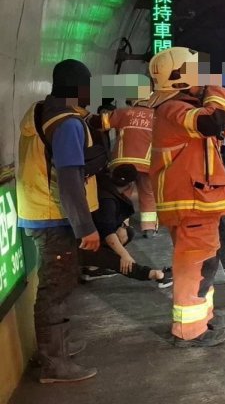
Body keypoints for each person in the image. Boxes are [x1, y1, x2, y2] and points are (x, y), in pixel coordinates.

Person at [15, 59, 106, 383]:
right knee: (56, 288)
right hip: (55, 218)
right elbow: (69, 178)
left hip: (40, 212)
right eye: (87, 86)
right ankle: (55, 364)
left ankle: (57, 348)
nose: (89, 92)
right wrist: (86, 228)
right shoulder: (66, 124)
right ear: (78, 88)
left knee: (59, 285)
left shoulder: (40, 111)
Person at [148, 47, 225, 348]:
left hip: (198, 201)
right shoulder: (173, 109)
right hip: (191, 203)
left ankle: (203, 316)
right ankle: (189, 332)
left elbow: (218, 128)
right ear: (181, 78)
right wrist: (217, 89)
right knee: (195, 267)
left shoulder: (182, 108)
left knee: (206, 264)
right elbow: (212, 123)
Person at [76, 164, 172, 286]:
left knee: (127, 233)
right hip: (82, 245)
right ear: (130, 185)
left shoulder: (102, 184)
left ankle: (94, 268)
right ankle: (156, 275)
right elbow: (108, 233)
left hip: (84, 237)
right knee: (120, 261)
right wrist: (124, 255)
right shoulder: (108, 202)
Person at [92, 91, 159, 236]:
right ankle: (149, 227)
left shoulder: (124, 113)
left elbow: (102, 124)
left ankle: (123, 224)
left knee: (123, 193)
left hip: (122, 162)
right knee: (147, 193)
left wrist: (103, 110)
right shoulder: (157, 117)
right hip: (147, 164)